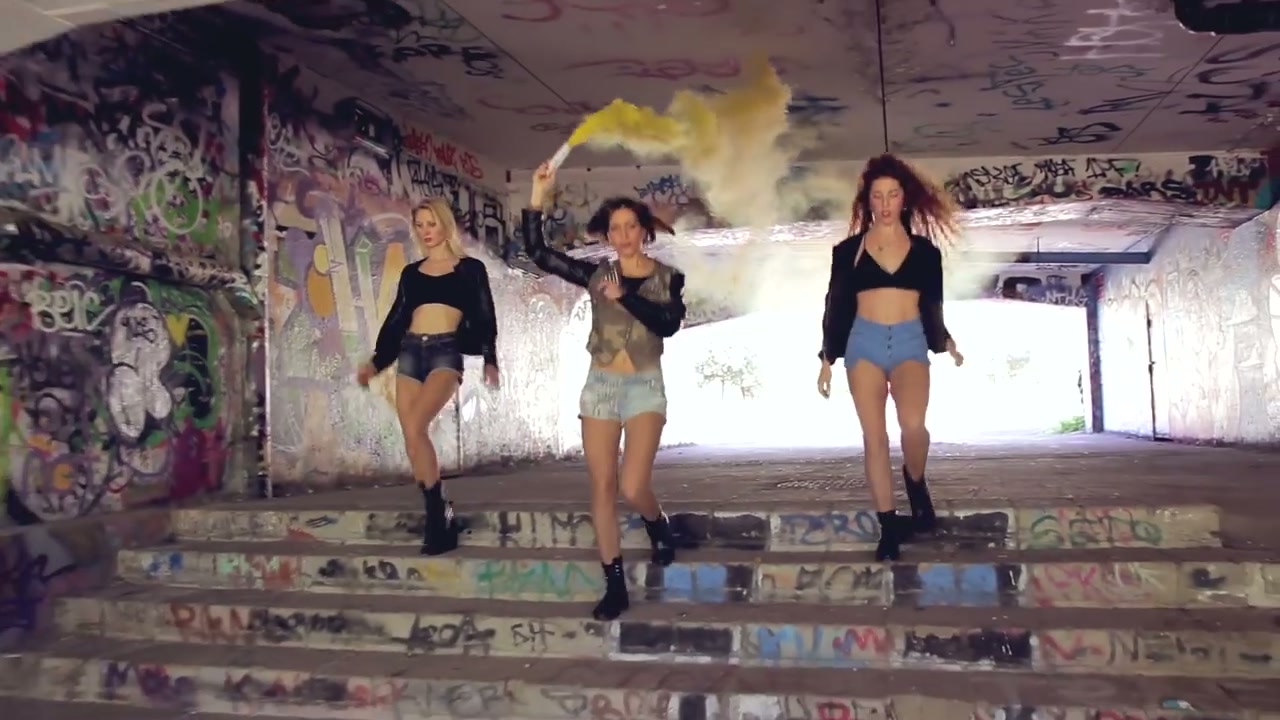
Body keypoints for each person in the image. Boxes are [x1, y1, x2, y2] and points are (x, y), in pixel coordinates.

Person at [524, 160, 687, 621]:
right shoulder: (597, 276)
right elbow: (538, 252)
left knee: (633, 486)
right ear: (608, 235)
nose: (623, 235)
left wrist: (627, 297)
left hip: (644, 386)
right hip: (599, 386)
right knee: (602, 485)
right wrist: (537, 194)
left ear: (643, 230)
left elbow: (668, 324)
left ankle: (656, 521)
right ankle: (614, 584)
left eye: (630, 226)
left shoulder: (668, 277)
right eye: (615, 228)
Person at [817, 153, 965, 562]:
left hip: (909, 341)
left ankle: (915, 479)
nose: (885, 203)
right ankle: (889, 526)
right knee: (875, 437)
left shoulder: (925, 252)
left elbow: (932, 303)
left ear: (904, 199)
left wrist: (945, 340)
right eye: (877, 196)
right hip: (862, 342)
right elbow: (836, 304)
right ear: (868, 201)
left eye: (892, 194)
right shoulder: (848, 251)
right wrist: (827, 357)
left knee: (913, 426)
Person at [356, 197, 500, 556]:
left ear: (445, 225)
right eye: (419, 225)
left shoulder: (470, 269)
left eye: (431, 223)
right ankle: (439, 512)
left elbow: (485, 315)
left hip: (445, 352)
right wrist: (377, 362)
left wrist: (490, 359)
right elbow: (396, 320)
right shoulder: (412, 273)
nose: (425, 232)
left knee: (417, 427)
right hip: (409, 352)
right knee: (411, 436)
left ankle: (438, 516)